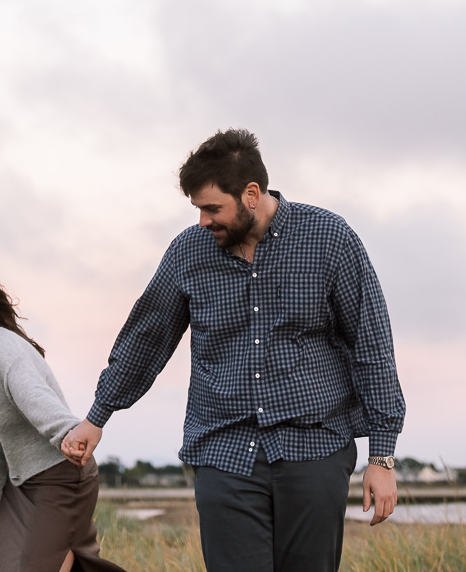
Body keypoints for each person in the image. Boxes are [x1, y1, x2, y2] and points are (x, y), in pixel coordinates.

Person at [61, 129, 405, 572]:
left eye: (211, 208)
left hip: (315, 448)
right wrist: (97, 415)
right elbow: (147, 338)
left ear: (251, 194)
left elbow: (372, 345)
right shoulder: (189, 251)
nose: (203, 221)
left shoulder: (329, 238)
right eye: (198, 210)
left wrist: (382, 455)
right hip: (224, 451)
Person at [0, 264, 129, 572]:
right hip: (21, 484)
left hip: (60, 476)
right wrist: (2, 509)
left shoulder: (6, 354)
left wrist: (69, 432)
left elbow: (37, 401)